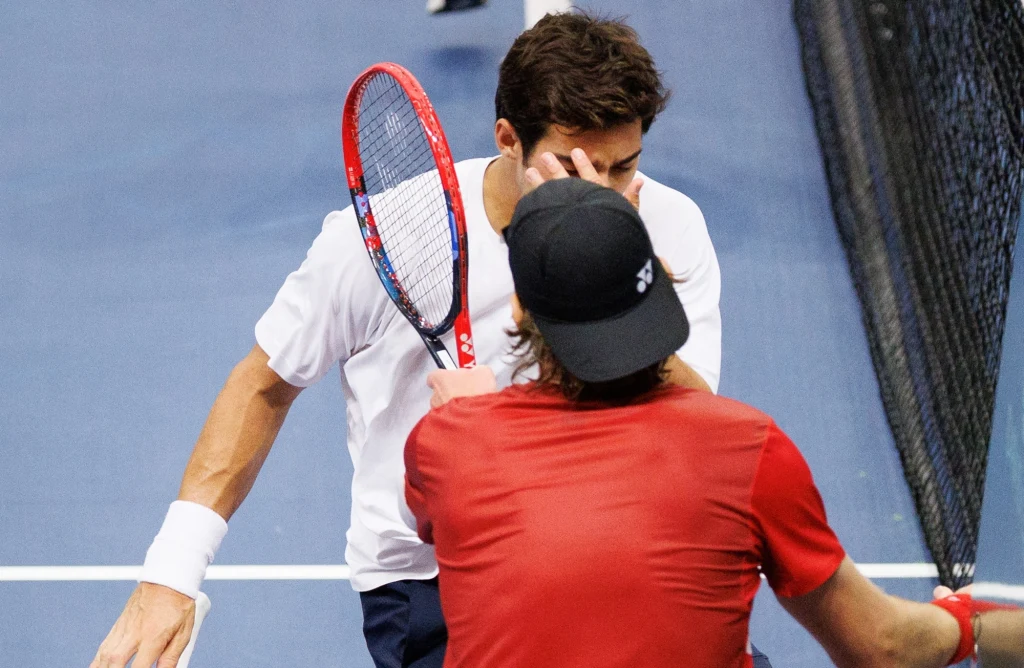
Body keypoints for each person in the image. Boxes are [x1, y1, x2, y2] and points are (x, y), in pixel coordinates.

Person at [91, 12, 730, 668]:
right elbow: (264, 382)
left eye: (624, 167)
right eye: (577, 168)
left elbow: (693, 416)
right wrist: (172, 571)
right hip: (434, 580)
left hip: (613, 550)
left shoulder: (669, 225)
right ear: (508, 138)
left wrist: (605, 280)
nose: (608, 192)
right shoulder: (384, 236)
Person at [405, 177, 1024, 668]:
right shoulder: (749, 448)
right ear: (660, 286)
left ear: (520, 308)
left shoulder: (446, 444)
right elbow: (884, 650)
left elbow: (439, 518)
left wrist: (463, 416)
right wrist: (968, 624)